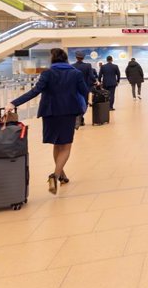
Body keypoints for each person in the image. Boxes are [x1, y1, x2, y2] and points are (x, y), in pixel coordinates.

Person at [6, 48, 88, 195]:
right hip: (68, 112)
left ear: (53, 60)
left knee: (57, 145)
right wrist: (82, 106)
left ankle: (62, 175)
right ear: (65, 59)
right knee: (66, 146)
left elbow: (35, 91)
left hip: (49, 113)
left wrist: (14, 103)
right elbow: (84, 91)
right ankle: (55, 175)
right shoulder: (76, 73)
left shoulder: (47, 73)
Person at [71, 50, 97, 126]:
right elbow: (92, 76)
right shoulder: (88, 65)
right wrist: (95, 81)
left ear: (76, 57)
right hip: (85, 87)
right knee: (84, 103)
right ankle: (80, 117)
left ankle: (79, 118)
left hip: (75, 88)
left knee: (76, 103)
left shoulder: (72, 66)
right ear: (83, 58)